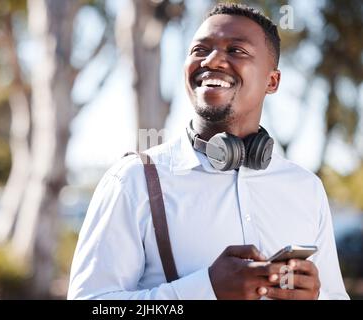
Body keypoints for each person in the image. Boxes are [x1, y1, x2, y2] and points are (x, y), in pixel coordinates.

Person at [67, 3, 349, 300]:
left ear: (272, 81)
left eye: (236, 50)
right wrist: (206, 290)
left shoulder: (306, 189)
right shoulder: (133, 180)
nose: (213, 60)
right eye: (200, 50)